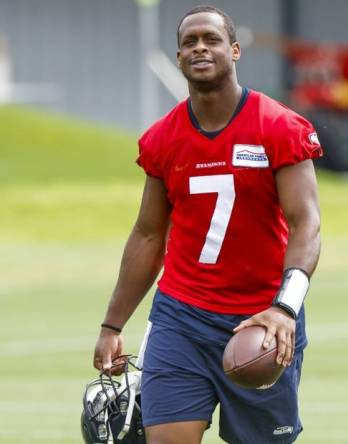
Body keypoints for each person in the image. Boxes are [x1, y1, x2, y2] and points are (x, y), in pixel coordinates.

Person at [91, 5, 322, 443]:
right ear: (179, 58)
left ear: (234, 50)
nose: (200, 47)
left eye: (211, 39)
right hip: (182, 317)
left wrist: (285, 307)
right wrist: (112, 325)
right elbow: (148, 234)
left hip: (262, 319)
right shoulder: (162, 139)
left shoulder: (278, 126)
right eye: (189, 42)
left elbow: (305, 223)